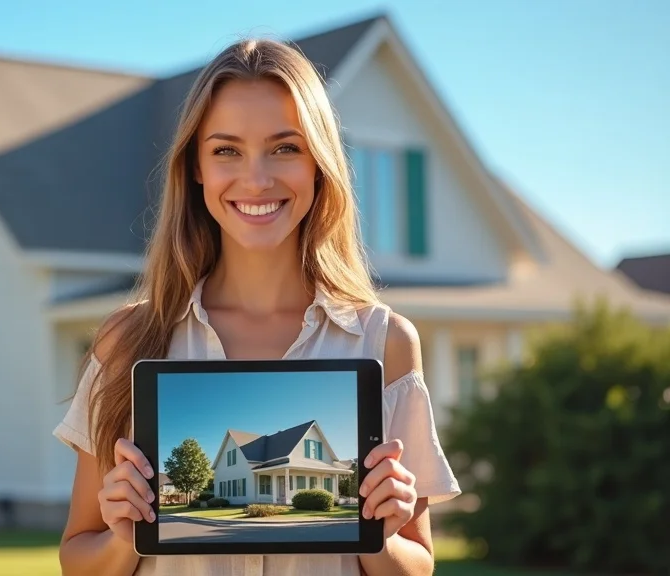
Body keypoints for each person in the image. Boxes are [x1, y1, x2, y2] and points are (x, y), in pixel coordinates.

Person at [52, 37, 460, 576]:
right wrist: (126, 538)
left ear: (318, 163)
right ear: (196, 167)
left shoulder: (386, 342)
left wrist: (377, 537)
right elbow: (78, 558)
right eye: (226, 150)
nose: (257, 179)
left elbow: (418, 563)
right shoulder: (129, 340)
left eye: (285, 148)